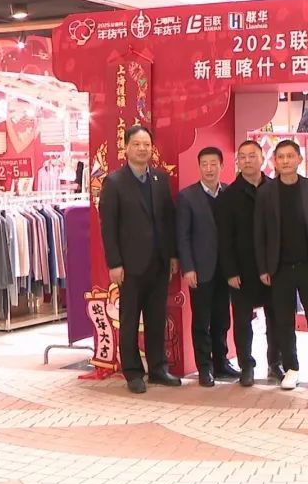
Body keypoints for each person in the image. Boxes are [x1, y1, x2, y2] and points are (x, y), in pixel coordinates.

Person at [99, 125, 180, 394]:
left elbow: (168, 221)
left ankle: (158, 369)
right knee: (130, 320)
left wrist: (172, 255)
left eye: (146, 144)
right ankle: (133, 372)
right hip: (130, 265)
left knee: (156, 318)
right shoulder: (114, 182)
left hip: (159, 262)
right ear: (126, 148)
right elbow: (108, 226)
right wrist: (114, 263)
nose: (142, 149)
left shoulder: (159, 179)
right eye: (137, 144)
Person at [254, 140, 308, 390]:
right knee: (283, 320)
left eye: (290, 156)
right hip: (280, 268)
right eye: (281, 157)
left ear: (299, 159)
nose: (286, 161)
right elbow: (260, 233)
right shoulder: (266, 192)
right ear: (275, 161)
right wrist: (263, 267)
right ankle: (291, 368)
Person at [217, 140, 283, 387]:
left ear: (262, 158)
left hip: (274, 266)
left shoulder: (276, 189)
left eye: (252, 155)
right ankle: (246, 365)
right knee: (243, 321)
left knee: (276, 317)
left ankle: (275, 363)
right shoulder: (229, 195)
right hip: (242, 269)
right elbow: (224, 237)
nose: (247, 160)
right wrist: (230, 271)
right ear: (237, 162)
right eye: (242, 157)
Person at [176, 147, 238, 387]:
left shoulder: (229, 193)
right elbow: (182, 236)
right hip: (200, 269)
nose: (209, 169)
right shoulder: (187, 196)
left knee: (222, 318)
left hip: (226, 269)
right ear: (199, 167)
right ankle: (204, 367)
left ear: (222, 166)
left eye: (214, 164)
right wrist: (188, 268)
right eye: (204, 164)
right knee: (202, 320)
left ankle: (221, 362)